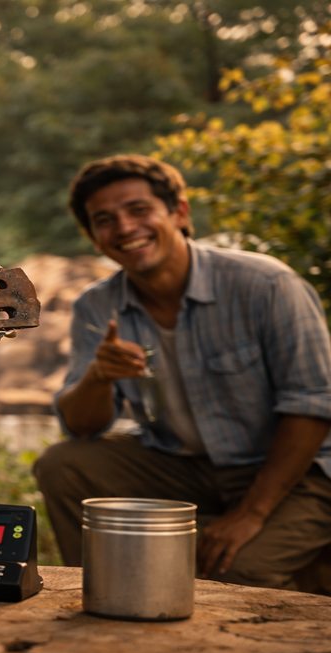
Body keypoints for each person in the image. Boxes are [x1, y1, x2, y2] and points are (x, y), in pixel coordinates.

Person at [35, 154, 331, 590]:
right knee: (64, 465)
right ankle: (104, 593)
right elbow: (80, 427)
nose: (124, 228)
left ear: (179, 212)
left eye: (139, 210)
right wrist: (99, 376)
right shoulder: (96, 306)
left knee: (234, 575)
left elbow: (313, 406)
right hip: (183, 467)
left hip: (296, 473)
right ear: (95, 238)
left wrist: (251, 514)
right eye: (105, 220)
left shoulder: (266, 285)